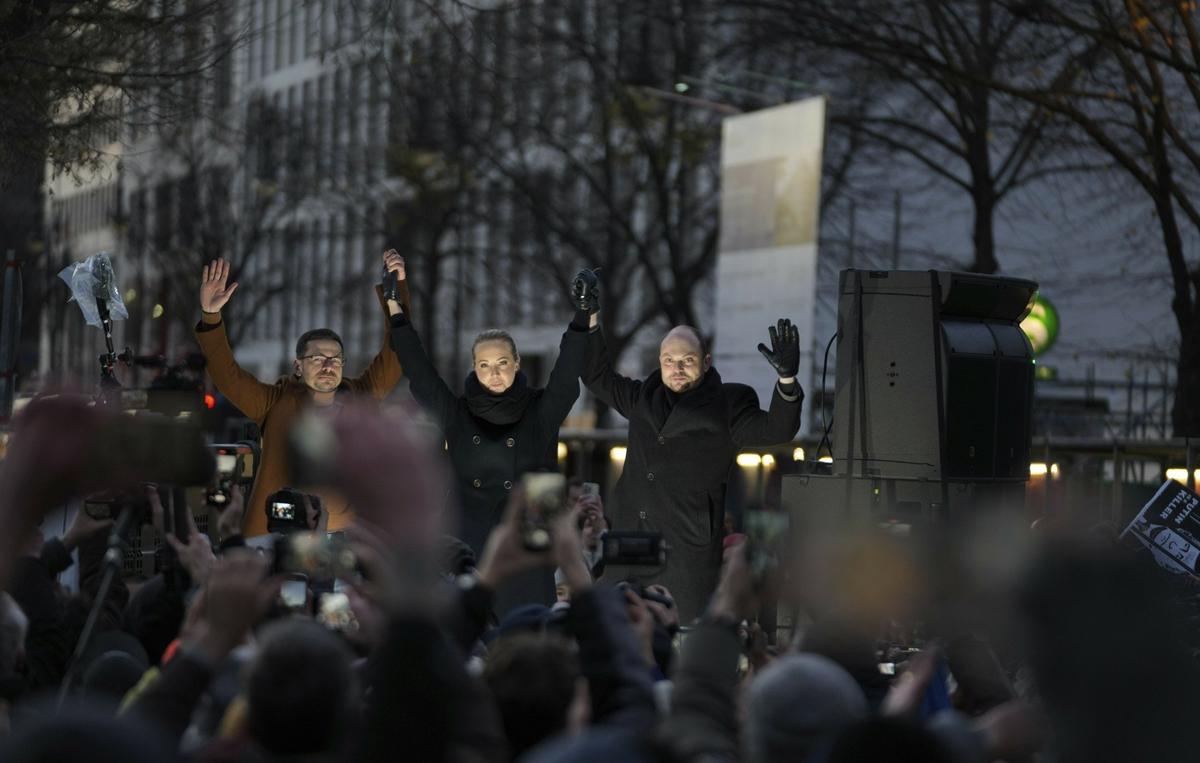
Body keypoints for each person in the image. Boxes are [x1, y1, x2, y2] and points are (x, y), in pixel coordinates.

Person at [575, 269, 803, 621]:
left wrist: (786, 379)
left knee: (678, 645)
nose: (676, 368)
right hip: (629, 548)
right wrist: (589, 316)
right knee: (612, 636)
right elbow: (595, 376)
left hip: (684, 554)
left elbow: (777, 428)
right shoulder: (642, 397)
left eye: (687, 361)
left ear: (706, 362)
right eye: (669, 361)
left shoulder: (728, 403)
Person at [385, 250, 588, 609]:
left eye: (501, 363)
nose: (494, 373)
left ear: (516, 363)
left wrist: (583, 315)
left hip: (527, 554)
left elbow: (568, 376)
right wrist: (395, 305)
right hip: (469, 555)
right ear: (474, 368)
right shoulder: (457, 416)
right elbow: (419, 372)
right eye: (484, 365)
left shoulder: (540, 413)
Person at [193, 256, 411, 536]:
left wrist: (396, 293)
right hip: (280, 535)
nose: (328, 365)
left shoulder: (361, 399)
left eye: (335, 359)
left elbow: (395, 355)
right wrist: (211, 317)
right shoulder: (274, 402)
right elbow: (227, 375)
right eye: (317, 357)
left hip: (345, 540)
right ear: (298, 366)